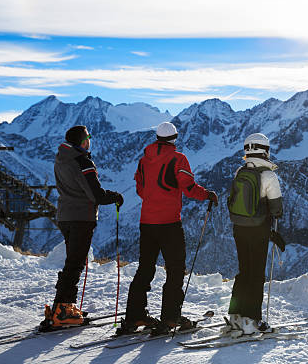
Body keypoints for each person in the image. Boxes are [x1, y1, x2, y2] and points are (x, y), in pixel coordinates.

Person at [118, 122, 218, 336]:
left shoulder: (144, 160)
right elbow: (189, 188)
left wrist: (154, 200)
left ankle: (134, 315)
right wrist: (208, 195)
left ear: (157, 137)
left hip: (147, 222)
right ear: (175, 137)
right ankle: (170, 318)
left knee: (145, 269)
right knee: (175, 269)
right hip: (169, 223)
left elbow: (140, 189)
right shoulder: (178, 158)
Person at [41, 125, 124, 330]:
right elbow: (95, 194)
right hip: (81, 217)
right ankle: (64, 311)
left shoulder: (62, 158)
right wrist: (114, 196)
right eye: (86, 139)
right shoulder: (82, 161)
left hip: (65, 216)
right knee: (75, 264)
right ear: (81, 142)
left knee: (73, 262)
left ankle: (61, 306)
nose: (89, 143)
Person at [226, 133, 283, 335]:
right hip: (259, 229)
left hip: (238, 228)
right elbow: (277, 208)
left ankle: (235, 317)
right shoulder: (268, 175)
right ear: (265, 150)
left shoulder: (239, 171)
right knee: (256, 274)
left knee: (244, 271)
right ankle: (252, 321)